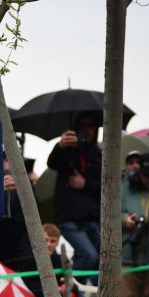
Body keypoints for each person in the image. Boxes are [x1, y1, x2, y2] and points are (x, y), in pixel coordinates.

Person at [47, 113, 102, 275]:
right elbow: (52, 163)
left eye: (90, 126)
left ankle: (76, 293)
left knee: (100, 258)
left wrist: (85, 184)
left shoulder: (99, 154)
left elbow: (106, 186)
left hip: (92, 217)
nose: (86, 130)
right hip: (69, 217)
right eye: (82, 126)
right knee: (89, 256)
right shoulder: (68, 150)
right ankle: (66, 285)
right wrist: (60, 146)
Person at [119, 152, 149, 297]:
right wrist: (126, 220)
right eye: (146, 175)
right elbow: (108, 214)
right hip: (127, 257)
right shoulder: (124, 188)